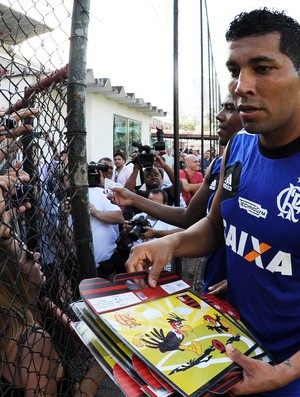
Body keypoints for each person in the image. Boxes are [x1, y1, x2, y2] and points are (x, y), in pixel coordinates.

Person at [124, 8, 300, 396]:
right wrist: (169, 242)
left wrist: (287, 371)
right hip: (228, 346)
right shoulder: (240, 146)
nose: (241, 86)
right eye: (236, 70)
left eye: (263, 68)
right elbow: (216, 225)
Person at [109, 93, 242, 294]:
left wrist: (248, 281)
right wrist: (133, 197)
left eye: (231, 108)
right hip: (216, 280)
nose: (219, 115)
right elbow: (191, 218)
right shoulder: (218, 165)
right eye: (222, 107)